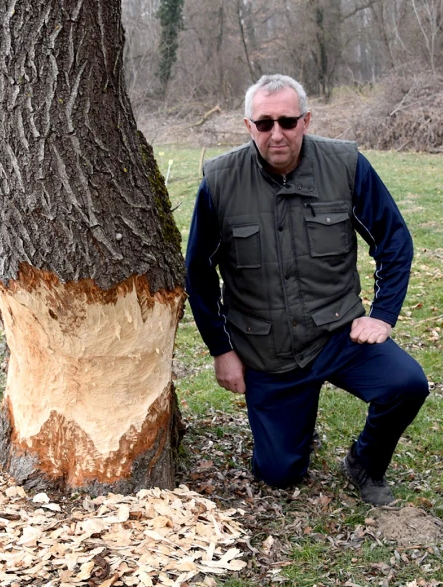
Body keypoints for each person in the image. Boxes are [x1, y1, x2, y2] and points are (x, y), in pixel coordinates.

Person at [184, 74, 429, 506]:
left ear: (306, 121)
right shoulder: (220, 182)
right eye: (264, 123)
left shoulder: (347, 166)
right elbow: (199, 273)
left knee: (407, 384)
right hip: (267, 350)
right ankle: (294, 427)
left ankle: (365, 463)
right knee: (279, 474)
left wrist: (382, 315)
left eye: (287, 121)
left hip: (338, 333)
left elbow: (394, 241)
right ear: (248, 126)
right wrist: (221, 350)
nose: (276, 133)